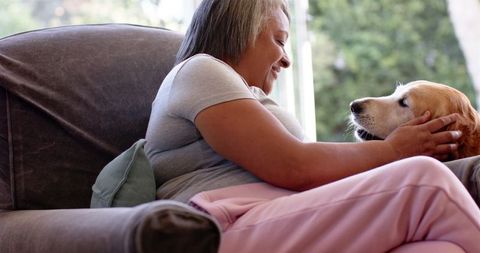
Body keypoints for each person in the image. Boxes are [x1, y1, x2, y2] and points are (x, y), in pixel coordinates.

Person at [145, 0, 480, 252]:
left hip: (276, 217)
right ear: (241, 31)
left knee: (441, 249)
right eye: (279, 40)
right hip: (227, 226)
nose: (287, 59)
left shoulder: (244, 95)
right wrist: (392, 151)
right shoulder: (201, 70)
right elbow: (292, 165)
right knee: (426, 180)